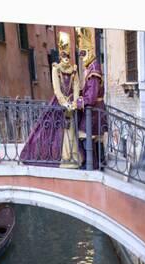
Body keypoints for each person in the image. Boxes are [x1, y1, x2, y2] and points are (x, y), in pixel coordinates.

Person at [19, 32, 82, 168]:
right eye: (63, 55)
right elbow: (57, 89)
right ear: (60, 55)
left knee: (70, 130)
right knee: (56, 131)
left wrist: (74, 102)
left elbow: (77, 87)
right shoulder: (56, 69)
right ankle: (64, 158)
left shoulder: (74, 70)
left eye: (68, 56)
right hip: (59, 105)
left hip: (71, 105)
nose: (66, 58)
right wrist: (64, 103)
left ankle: (72, 156)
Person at [75, 28, 108, 169]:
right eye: (80, 54)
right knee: (97, 138)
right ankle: (100, 162)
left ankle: (91, 164)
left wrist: (80, 101)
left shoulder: (94, 70)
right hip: (97, 110)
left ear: (89, 52)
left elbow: (92, 95)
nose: (82, 58)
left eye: (83, 53)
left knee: (83, 134)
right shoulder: (91, 67)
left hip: (94, 110)